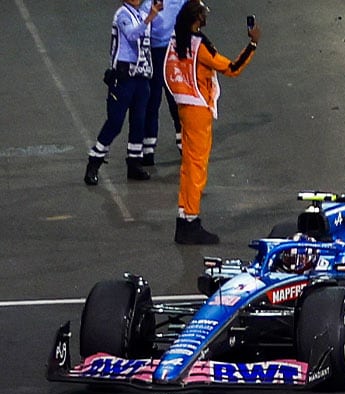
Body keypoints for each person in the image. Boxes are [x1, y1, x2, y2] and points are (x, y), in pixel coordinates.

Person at [162, 0, 258, 245]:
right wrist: (253, 44)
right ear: (197, 19)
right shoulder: (199, 45)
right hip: (198, 110)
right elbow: (231, 68)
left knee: (187, 166)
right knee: (197, 167)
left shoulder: (176, 41)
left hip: (183, 105)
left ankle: (183, 217)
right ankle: (191, 222)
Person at [87, 0, 161, 186]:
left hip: (141, 78)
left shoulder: (141, 14)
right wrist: (150, 17)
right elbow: (131, 35)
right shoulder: (122, 15)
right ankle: (94, 162)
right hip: (123, 77)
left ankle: (134, 163)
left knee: (138, 122)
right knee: (115, 122)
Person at [142, 0, 192, 164]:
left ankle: (183, 143)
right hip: (155, 53)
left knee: (176, 99)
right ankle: (148, 148)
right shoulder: (148, 3)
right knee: (152, 100)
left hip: (172, 52)